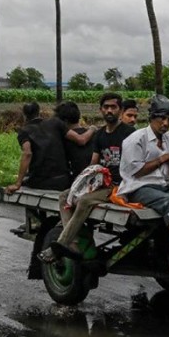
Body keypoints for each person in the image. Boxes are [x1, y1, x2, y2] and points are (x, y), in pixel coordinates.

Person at [40, 93, 134, 262]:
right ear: (101, 110)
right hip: (101, 182)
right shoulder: (99, 135)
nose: (109, 110)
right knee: (65, 197)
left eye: (113, 107)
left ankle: (60, 245)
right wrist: (81, 183)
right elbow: (94, 162)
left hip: (119, 185)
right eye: (106, 107)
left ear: (120, 110)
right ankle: (73, 244)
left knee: (84, 201)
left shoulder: (129, 133)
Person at [118, 95, 169, 275]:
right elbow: (135, 172)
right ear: (151, 118)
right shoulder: (135, 139)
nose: (165, 123)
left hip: (162, 186)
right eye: (161, 118)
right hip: (139, 187)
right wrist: (162, 159)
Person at [7, 102, 96, 194]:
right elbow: (81, 139)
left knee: (26, 183)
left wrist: (18, 183)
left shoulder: (24, 131)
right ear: (39, 112)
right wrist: (92, 128)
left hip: (41, 181)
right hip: (63, 180)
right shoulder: (55, 123)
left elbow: (27, 153)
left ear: (24, 115)